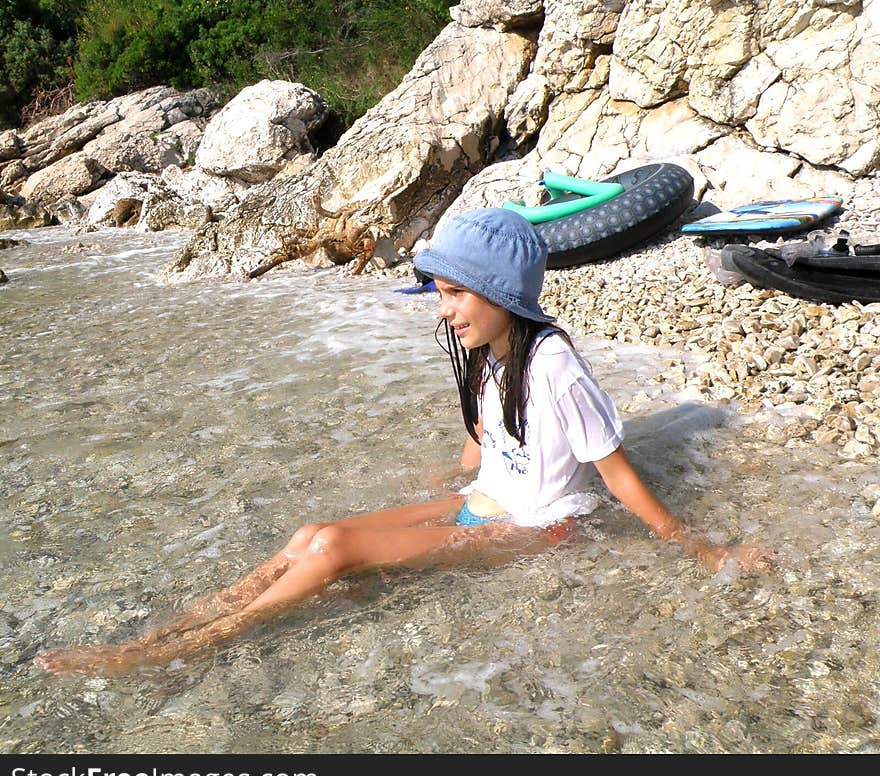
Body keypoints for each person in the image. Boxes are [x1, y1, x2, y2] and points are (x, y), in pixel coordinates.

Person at [35, 208, 774, 676]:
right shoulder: (491, 351)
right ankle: (180, 621)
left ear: (503, 294)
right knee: (313, 532)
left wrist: (700, 547)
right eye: (441, 292)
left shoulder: (555, 367)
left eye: (456, 293)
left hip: (538, 528)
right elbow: (484, 437)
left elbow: (616, 473)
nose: (445, 309)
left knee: (337, 552)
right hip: (483, 502)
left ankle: (189, 647)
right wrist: (444, 487)